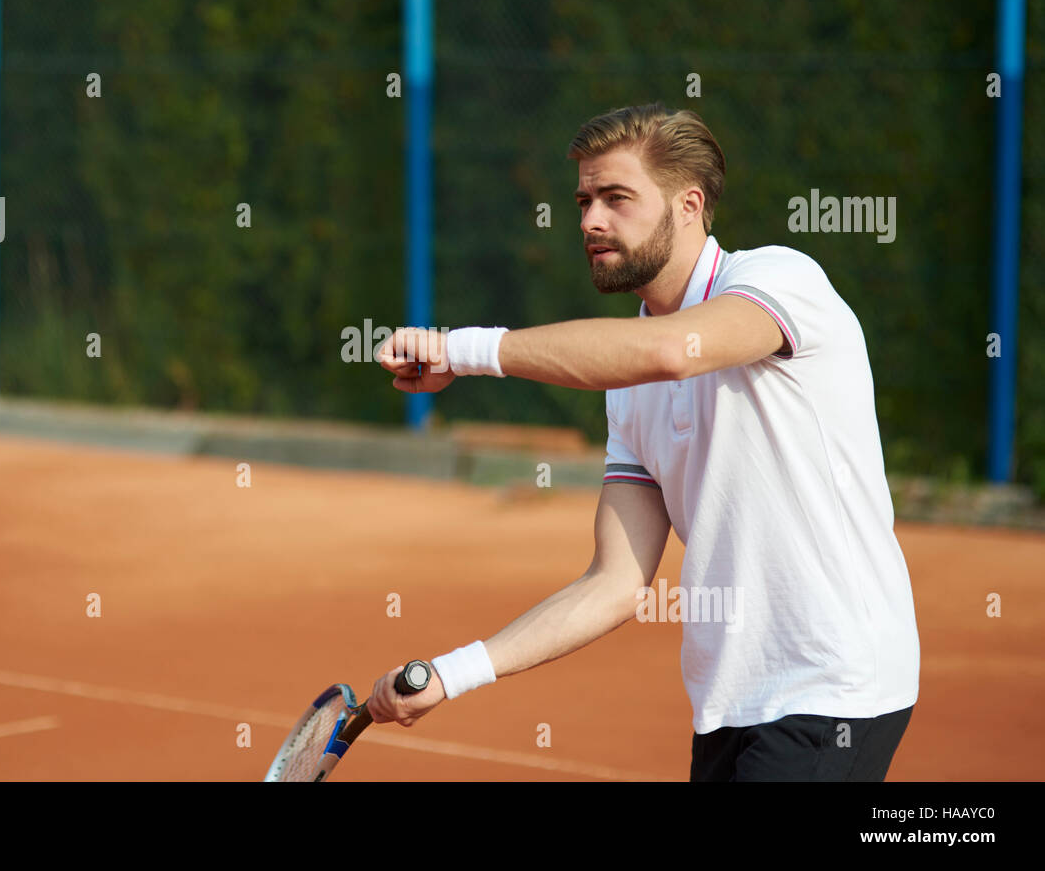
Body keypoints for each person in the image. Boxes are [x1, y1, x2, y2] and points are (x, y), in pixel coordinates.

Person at [367, 102, 920, 781]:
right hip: (728, 702)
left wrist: (466, 350)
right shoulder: (626, 385)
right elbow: (615, 582)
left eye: (616, 198)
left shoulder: (780, 280)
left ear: (689, 204)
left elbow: (673, 351)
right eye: (583, 200)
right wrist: (451, 674)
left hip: (833, 686)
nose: (590, 221)